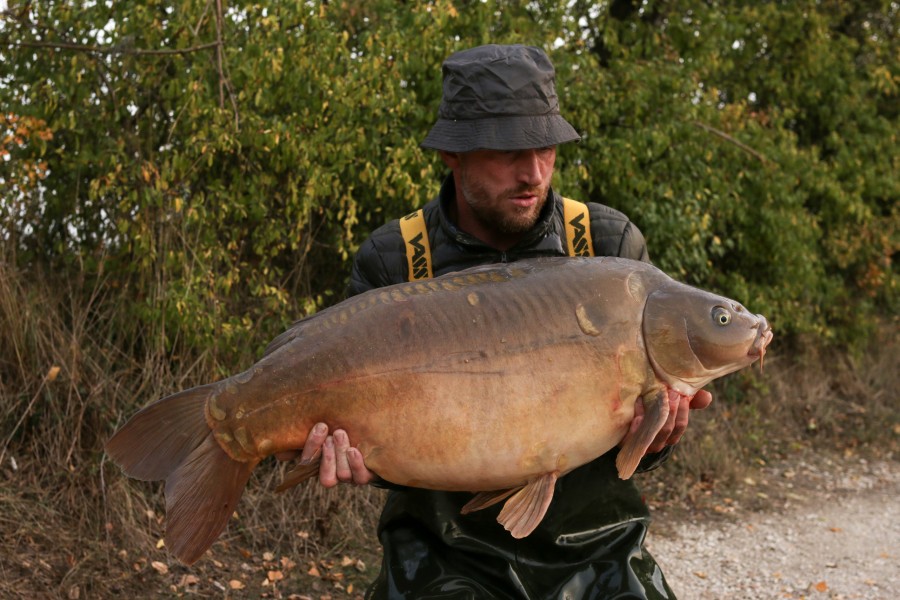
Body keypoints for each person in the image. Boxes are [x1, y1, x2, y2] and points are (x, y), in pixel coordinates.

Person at [290, 44, 713, 599]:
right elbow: (390, 450)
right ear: (453, 155)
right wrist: (357, 455)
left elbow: (633, 444)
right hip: (440, 553)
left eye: (545, 149)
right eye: (507, 153)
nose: (533, 173)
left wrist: (658, 438)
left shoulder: (608, 247)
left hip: (596, 546)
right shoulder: (396, 258)